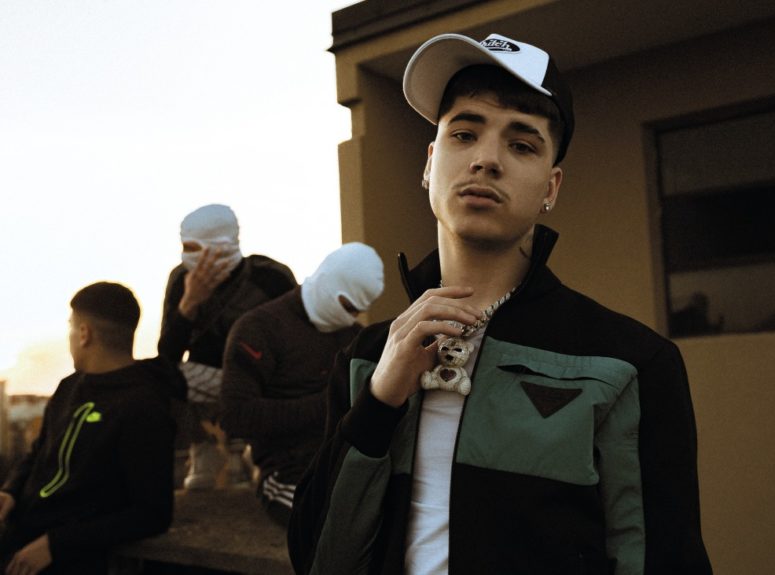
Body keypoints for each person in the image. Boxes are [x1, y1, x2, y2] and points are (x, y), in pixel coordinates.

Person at [287, 33, 712, 575]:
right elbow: (317, 559)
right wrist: (378, 401)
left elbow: (662, 559)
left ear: (551, 187)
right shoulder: (366, 360)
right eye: (464, 134)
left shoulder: (630, 363)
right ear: (430, 162)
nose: (486, 160)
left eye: (522, 145)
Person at [0, 282, 185, 574]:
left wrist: (56, 544)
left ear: (84, 333)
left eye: (71, 327)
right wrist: (10, 491)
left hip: (69, 560)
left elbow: (152, 513)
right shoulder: (69, 387)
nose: (70, 337)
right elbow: (39, 453)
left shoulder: (143, 406)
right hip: (20, 535)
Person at [220, 242, 385, 527]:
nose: (350, 317)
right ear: (327, 282)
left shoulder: (355, 337)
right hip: (287, 468)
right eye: (347, 306)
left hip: (347, 463)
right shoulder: (259, 328)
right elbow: (236, 415)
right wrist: (331, 403)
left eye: (357, 311)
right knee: (326, 523)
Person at [158, 203, 297, 490]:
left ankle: (257, 453)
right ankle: (205, 448)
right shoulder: (181, 279)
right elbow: (167, 357)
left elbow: (296, 342)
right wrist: (189, 304)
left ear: (219, 245)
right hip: (210, 380)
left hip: (262, 381)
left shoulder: (271, 278)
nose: (186, 255)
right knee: (159, 377)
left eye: (193, 247)